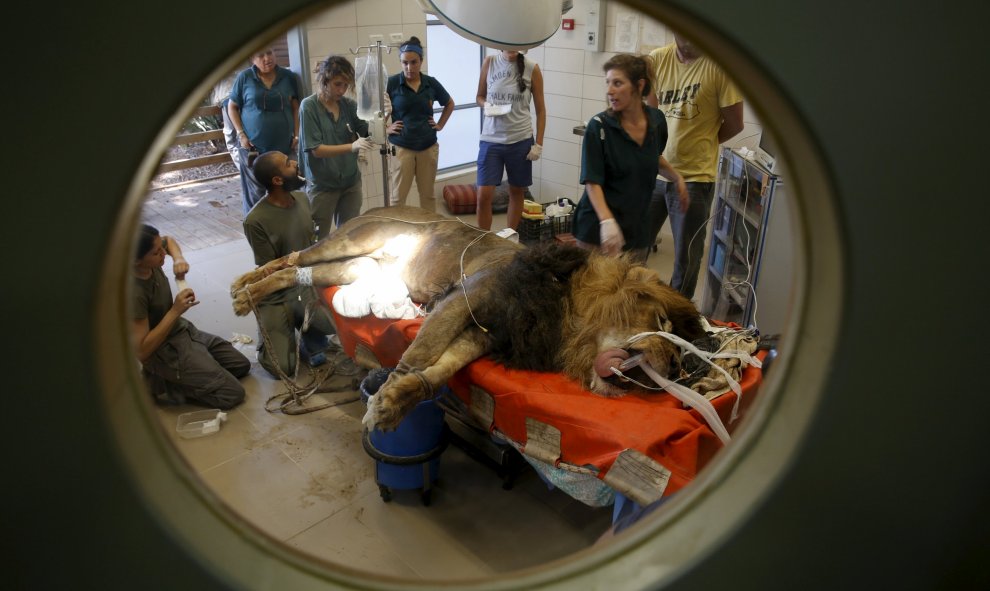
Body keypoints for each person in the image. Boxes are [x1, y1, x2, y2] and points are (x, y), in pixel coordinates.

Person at [644, 34, 744, 298]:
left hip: (695, 178)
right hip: (655, 172)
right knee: (635, 249)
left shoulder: (720, 67)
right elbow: (650, 114)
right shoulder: (657, 60)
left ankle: (678, 319)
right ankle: (633, 311)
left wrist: (707, 142)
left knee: (686, 260)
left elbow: (735, 124)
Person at [571, 54, 687, 261]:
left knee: (629, 290)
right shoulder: (598, 127)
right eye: (608, 83)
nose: (609, 91)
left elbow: (652, 158)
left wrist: (677, 178)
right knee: (594, 291)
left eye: (617, 83)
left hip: (637, 230)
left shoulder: (657, 121)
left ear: (639, 86)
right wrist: (607, 223)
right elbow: (592, 181)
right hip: (597, 230)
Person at [132, 224, 249, 409]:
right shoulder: (134, 293)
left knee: (240, 365)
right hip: (163, 349)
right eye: (156, 253)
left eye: (162, 249)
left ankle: (193, 365)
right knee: (232, 394)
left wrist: (178, 258)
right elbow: (142, 351)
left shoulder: (152, 254)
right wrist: (175, 311)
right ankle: (165, 384)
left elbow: (168, 240)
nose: (163, 253)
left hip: (182, 331)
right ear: (136, 261)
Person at [242, 150, 337, 378]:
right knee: (281, 368)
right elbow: (270, 271)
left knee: (338, 321)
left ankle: (310, 336)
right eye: (288, 163)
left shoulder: (302, 199)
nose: (294, 163)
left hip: (306, 282)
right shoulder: (255, 221)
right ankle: (271, 334)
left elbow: (312, 246)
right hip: (278, 291)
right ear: (277, 180)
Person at [299, 55, 375, 240]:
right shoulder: (309, 107)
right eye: (337, 84)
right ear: (324, 81)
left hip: (350, 182)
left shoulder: (348, 105)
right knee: (315, 240)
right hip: (322, 185)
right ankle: (307, 271)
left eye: (346, 85)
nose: (342, 90)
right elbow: (316, 150)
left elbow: (368, 133)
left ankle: (344, 269)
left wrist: (383, 116)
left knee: (349, 236)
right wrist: (351, 146)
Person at [474, 49, 546, 231]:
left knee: (516, 191)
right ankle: (484, 239)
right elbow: (479, 96)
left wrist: (538, 144)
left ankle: (510, 236)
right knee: (483, 195)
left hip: (520, 139)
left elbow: (541, 110)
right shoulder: (489, 62)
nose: (511, 47)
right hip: (491, 139)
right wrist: (486, 105)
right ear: (500, 44)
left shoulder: (532, 68)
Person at [228, 47, 304, 214]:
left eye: (269, 53)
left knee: (289, 191)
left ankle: (288, 230)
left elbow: (295, 107)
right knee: (257, 194)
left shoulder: (288, 77)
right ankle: (259, 233)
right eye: (260, 55)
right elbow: (232, 107)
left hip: (284, 149)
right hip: (253, 149)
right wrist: (241, 134)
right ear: (252, 58)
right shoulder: (245, 78)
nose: (266, 58)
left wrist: (297, 134)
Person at [385, 36, 455, 213]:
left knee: (428, 196)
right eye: (405, 63)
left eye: (414, 62)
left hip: (427, 147)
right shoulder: (392, 83)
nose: (409, 67)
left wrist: (440, 125)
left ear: (421, 61)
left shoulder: (430, 83)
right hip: (402, 148)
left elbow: (449, 103)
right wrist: (386, 128)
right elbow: (374, 111)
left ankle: (430, 233)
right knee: (398, 197)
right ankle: (396, 233)